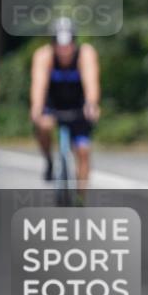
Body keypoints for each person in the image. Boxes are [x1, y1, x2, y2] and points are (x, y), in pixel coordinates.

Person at [30, 18, 101, 193]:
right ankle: (48, 159)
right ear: (53, 43)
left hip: (78, 106)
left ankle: (80, 197)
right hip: (53, 105)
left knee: (83, 151)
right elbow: (38, 86)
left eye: (68, 45)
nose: (64, 50)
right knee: (42, 127)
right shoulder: (44, 56)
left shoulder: (85, 54)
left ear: (74, 42)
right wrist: (37, 109)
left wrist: (92, 104)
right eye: (59, 45)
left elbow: (91, 83)